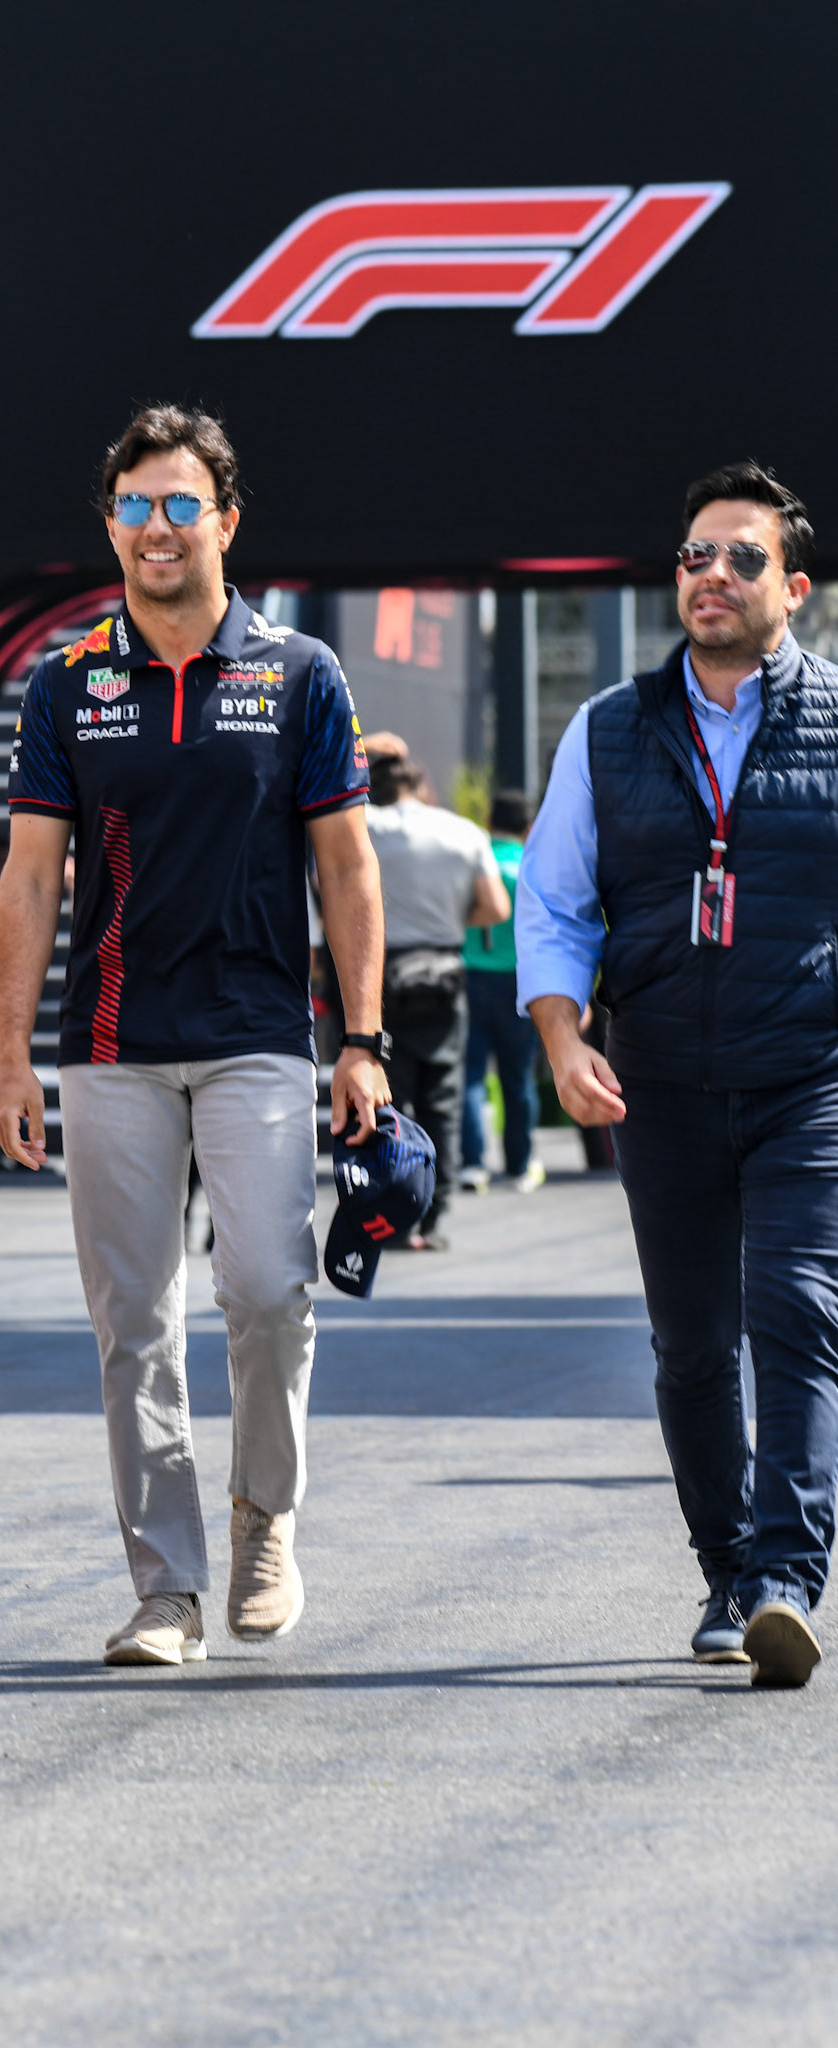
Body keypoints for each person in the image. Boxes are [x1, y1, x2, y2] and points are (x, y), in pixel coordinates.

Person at [0, 404, 388, 1667]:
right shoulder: (66, 680)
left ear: (226, 520)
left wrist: (363, 1038)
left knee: (266, 1285)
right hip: (110, 1042)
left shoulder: (299, 672)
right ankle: (166, 1589)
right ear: (110, 524)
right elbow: (30, 876)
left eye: (179, 504)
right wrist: (12, 1055)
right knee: (136, 1323)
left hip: (258, 1032)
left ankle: (265, 1517)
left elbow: (348, 864)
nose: (155, 527)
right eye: (134, 505)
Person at [518, 460, 838, 1690]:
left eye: (744, 556)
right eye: (697, 554)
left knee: (798, 1311)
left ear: (792, 587)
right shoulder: (608, 727)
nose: (713, 574)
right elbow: (553, 901)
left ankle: (786, 1576)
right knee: (694, 1343)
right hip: (656, 1079)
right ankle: (728, 1569)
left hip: (809, 1073)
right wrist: (563, 1040)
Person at [364, 737, 509, 1247]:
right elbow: (496, 908)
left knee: (386, 1101)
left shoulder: (363, 827)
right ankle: (432, 1214)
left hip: (380, 976)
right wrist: (449, 920)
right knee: (441, 1101)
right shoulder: (463, 833)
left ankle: (391, 1212)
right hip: (445, 973)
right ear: (422, 786)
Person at [460, 789, 544, 1193]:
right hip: (518, 981)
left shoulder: (473, 861)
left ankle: (472, 1164)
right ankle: (520, 1165)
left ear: (489, 822)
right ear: (529, 828)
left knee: (470, 1075)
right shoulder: (532, 866)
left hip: (469, 976)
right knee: (517, 1076)